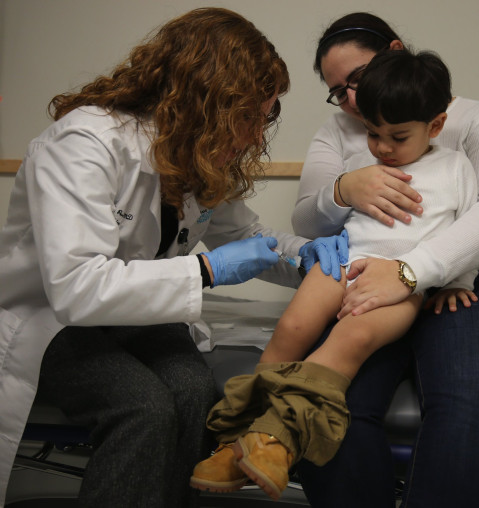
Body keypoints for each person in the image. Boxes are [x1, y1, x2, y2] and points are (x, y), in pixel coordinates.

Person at [0, 8, 348, 508]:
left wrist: (310, 258)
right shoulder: (84, 145)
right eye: (248, 115)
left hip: (134, 316)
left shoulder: (195, 150)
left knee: (193, 394)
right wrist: (207, 270)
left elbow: (247, 237)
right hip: (53, 319)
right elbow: (77, 288)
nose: (255, 135)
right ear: (203, 97)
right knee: (143, 408)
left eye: (265, 116)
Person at [189, 48, 479, 501]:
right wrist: (341, 193)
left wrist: (461, 281)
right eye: (372, 133)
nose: (382, 147)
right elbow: (316, 220)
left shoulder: (456, 168)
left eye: (397, 137)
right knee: (292, 327)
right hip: (342, 261)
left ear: (436, 126)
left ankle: (273, 440)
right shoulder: (365, 165)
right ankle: (240, 438)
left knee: (346, 343)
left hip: (400, 285)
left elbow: (476, 232)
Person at [289, 13, 479, 508]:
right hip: (364, 274)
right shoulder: (340, 133)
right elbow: (306, 223)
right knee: (330, 401)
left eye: (357, 79)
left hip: (465, 283)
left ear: (395, 50)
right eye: (340, 92)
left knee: (466, 404)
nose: (354, 101)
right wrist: (342, 190)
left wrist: (411, 273)